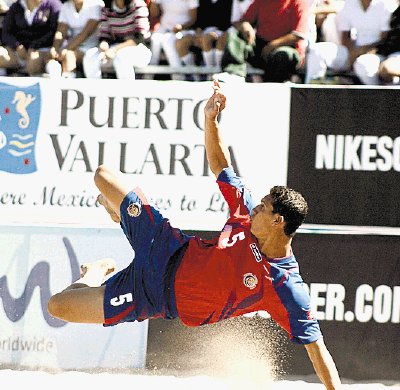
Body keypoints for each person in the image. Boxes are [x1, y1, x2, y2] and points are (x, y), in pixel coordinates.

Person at [47, 80, 342, 390]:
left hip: (152, 296)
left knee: (58, 306)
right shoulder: (245, 213)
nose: (256, 209)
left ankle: (93, 272)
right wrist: (210, 119)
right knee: (102, 176)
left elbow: (317, 349)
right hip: (164, 244)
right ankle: (118, 215)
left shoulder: (285, 285)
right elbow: (220, 164)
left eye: (263, 209)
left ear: (278, 221)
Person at [218, 0, 312, 83]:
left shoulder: (299, 2)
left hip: (286, 49)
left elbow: (298, 35)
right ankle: (234, 74)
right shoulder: (261, 1)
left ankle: (273, 83)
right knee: (235, 37)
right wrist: (245, 26)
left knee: (285, 55)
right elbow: (242, 22)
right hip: (261, 48)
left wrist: (272, 45)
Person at [305, 0, 395, 84]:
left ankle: (377, 98)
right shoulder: (349, 3)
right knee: (317, 50)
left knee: (363, 64)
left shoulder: (385, 4)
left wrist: (362, 51)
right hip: (352, 51)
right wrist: (352, 52)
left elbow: (384, 39)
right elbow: (345, 36)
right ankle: (310, 93)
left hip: (377, 53)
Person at [82, 0, 152, 79]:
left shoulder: (138, 4)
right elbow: (105, 34)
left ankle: (127, 90)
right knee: (90, 55)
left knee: (121, 56)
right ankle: (94, 89)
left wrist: (114, 49)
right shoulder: (107, 8)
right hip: (114, 48)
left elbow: (140, 37)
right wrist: (104, 45)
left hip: (140, 49)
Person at [0, 0, 61, 76]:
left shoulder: (54, 4)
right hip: (19, 51)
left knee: (33, 62)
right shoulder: (16, 6)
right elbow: (6, 33)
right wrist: (17, 46)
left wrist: (34, 46)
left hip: (42, 49)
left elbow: (54, 31)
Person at [45, 0, 104, 78]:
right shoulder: (66, 6)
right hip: (73, 47)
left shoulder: (96, 4)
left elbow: (86, 33)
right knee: (50, 58)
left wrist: (66, 49)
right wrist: (55, 48)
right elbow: (61, 31)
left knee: (68, 55)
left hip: (93, 47)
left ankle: (69, 83)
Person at [147, 0, 198, 80]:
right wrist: (153, 2)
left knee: (168, 41)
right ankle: (148, 78)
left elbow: (193, 19)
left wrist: (181, 27)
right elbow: (154, 13)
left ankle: (178, 78)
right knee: (155, 39)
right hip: (164, 29)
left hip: (184, 30)